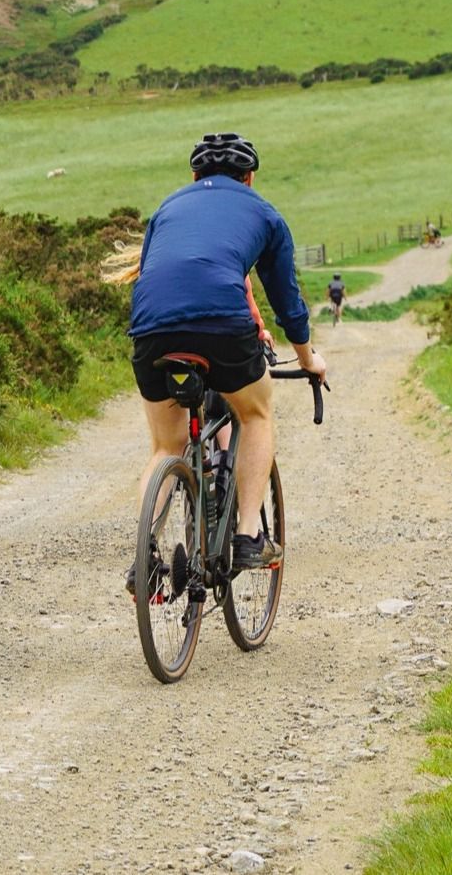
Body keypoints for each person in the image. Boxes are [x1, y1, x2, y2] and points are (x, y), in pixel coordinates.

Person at [124, 132, 326, 588]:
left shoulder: (167, 208)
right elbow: (287, 300)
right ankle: (249, 535)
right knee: (255, 415)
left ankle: (146, 556)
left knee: (165, 447)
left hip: (151, 328)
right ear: (249, 178)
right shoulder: (265, 213)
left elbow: (159, 272)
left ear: (194, 176)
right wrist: (308, 358)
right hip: (223, 326)